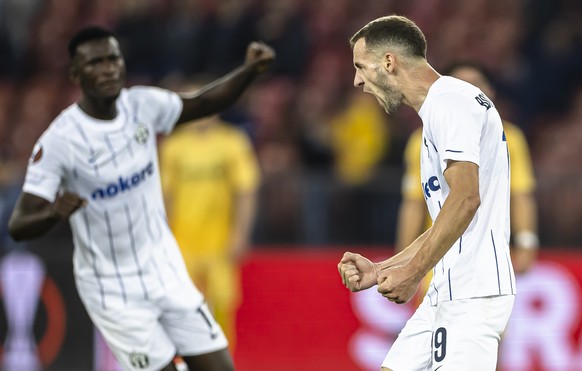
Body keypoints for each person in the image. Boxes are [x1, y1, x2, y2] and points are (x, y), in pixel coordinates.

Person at [8, 26, 274, 371]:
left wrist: (249, 71)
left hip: (165, 270)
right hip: (113, 288)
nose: (108, 69)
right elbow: (19, 225)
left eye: (113, 59)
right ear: (76, 73)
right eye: (96, 63)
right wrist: (54, 213)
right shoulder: (60, 140)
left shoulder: (143, 105)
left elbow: (204, 103)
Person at [338, 15, 515, 370]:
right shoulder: (438, 109)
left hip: (472, 294)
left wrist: (414, 272)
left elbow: (467, 199)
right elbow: (448, 218)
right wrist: (384, 268)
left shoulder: (450, 102)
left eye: (361, 66)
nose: (357, 80)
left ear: (389, 62)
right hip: (447, 291)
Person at [395, 62, 539, 307]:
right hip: (439, 261)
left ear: (490, 93)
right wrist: (403, 263)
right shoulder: (422, 141)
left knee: (488, 341)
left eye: (476, 85)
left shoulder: (509, 138)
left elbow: (521, 195)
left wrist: (526, 243)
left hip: (490, 262)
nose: (468, 92)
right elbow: (413, 204)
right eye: (460, 86)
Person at [159, 100, 260, 350]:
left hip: (220, 242)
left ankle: (223, 363)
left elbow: (246, 191)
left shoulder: (232, 142)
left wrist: (240, 234)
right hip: (183, 242)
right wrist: (163, 239)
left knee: (223, 307)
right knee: (182, 308)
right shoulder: (174, 146)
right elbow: (164, 196)